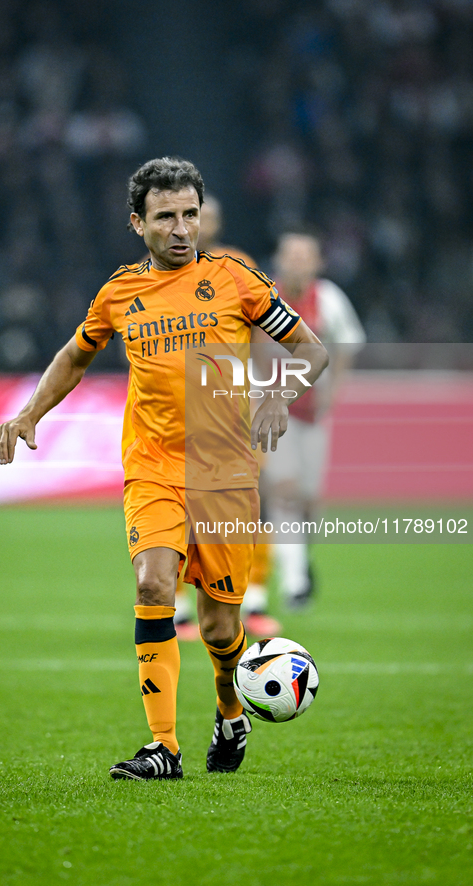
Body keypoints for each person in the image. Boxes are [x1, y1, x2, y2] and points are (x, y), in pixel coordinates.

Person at [0, 158, 328, 781]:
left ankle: (231, 712)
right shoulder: (120, 293)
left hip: (225, 475)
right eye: (166, 217)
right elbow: (74, 355)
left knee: (219, 624)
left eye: (189, 215)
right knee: (152, 586)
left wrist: (279, 393)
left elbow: (311, 347)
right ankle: (164, 748)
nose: (181, 229)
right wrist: (30, 413)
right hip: (151, 468)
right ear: (137, 223)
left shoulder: (237, 280)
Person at [173, 193, 282, 641]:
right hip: (177, 412)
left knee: (253, 500)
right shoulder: (154, 270)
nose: (197, 224)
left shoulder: (238, 266)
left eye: (204, 215)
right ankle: (179, 608)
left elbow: (266, 330)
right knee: (181, 507)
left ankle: (253, 600)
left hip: (233, 404)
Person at [249, 229, 365, 609]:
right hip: (270, 410)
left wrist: (334, 390)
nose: (297, 263)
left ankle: (300, 560)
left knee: (311, 502)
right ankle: (295, 584)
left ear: (318, 263)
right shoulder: (262, 298)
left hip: (314, 413)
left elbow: (348, 341)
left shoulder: (328, 298)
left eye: (305, 256)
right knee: (284, 489)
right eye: (291, 256)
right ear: (278, 261)